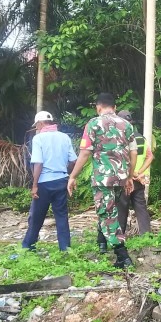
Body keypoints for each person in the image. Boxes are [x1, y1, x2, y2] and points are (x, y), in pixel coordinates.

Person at [68, 93, 137, 268]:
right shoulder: (126, 125)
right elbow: (133, 153)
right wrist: (130, 176)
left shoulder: (93, 124)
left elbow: (84, 152)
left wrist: (73, 176)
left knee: (106, 214)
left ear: (98, 108)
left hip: (103, 179)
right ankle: (102, 242)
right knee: (110, 211)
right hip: (121, 177)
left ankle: (123, 256)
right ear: (114, 107)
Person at [22, 111, 77, 252]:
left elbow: (38, 163)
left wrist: (34, 185)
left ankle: (28, 246)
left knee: (37, 216)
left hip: (44, 182)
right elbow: (73, 160)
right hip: (61, 180)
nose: (37, 128)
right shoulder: (65, 137)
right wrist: (67, 173)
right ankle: (65, 249)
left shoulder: (38, 139)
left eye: (36, 126)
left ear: (40, 123)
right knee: (61, 216)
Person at [116, 110, 154, 236]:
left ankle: (120, 235)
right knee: (141, 207)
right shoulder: (141, 138)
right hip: (138, 179)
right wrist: (139, 172)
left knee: (122, 207)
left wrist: (131, 174)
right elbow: (150, 157)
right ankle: (146, 234)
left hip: (125, 179)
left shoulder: (119, 138)